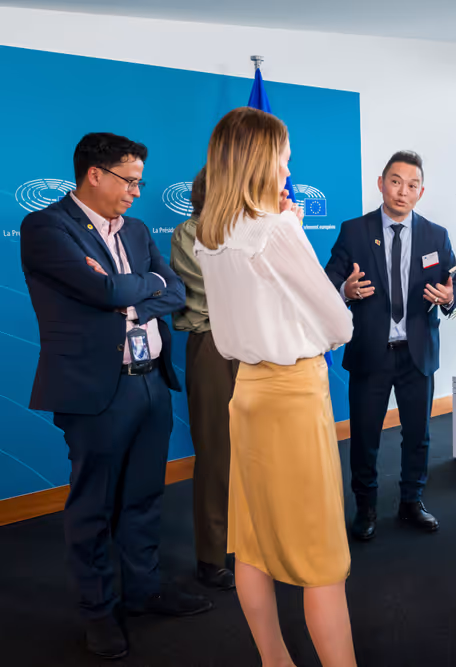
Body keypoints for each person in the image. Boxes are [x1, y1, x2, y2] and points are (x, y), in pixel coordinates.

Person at [19, 133, 212, 659]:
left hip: (150, 381)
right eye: (129, 180)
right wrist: (136, 288)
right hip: (95, 391)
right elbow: (103, 292)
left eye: (140, 182)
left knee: (144, 497)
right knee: (94, 507)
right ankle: (99, 611)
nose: (135, 191)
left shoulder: (139, 230)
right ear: (95, 175)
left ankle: (145, 591)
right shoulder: (46, 227)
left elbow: (174, 292)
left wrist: (133, 291)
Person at [195, 107, 356, 667]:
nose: (289, 164)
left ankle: (274, 661)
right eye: (284, 154)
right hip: (293, 395)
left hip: (249, 395)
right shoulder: (278, 229)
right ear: (263, 159)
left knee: (254, 545)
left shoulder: (208, 237)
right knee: (322, 561)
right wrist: (293, 231)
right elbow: (340, 323)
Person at [325, 150, 456, 541]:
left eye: (412, 185)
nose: (403, 191)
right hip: (371, 352)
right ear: (381, 184)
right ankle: (365, 507)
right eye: (396, 181)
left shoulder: (436, 235)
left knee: (418, 434)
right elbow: (329, 279)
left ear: (422, 191)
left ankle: (412, 502)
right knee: (366, 435)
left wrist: (448, 296)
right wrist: (345, 289)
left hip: (417, 352)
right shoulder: (354, 231)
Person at [170, 167, 238, 591]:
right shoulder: (188, 233)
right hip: (214, 345)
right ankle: (212, 556)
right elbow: (217, 291)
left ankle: (247, 542)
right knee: (216, 453)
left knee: (255, 454)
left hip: (258, 347)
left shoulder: (250, 232)